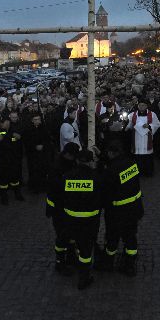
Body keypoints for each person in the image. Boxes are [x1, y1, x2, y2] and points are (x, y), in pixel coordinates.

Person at [95, 141, 143, 276]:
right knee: (130, 237)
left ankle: (108, 262)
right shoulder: (132, 163)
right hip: (134, 208)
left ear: (111, 153)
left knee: (112, 238)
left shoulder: (111, 171)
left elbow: (105, 191)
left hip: (117, 213)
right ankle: (130, 264)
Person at [59, 150, 102, 290]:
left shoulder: (67, 176)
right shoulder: (96, 178)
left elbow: (61, 197)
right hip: (89, 222)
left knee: (71, 241)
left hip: (70, 220)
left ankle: (68, 261)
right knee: (86, 251)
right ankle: (84, 278)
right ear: (90, 162)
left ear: (77, 161)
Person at [46, 142, 80, 276]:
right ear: (68, 154)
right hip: (58, 209)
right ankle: (60, 262)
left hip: (67, 207)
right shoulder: (57, 167)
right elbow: (59, 188)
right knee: (62, 237)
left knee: (71, 234)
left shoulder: (69, 162)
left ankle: (71, 257)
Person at [0, 118, 25, 205]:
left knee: (15, 179)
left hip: (13, 160)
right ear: (1, 124)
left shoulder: (13, 131)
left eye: (8, 123)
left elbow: (20, 139)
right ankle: (4, 197)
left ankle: (18, 194)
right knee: (3, 181)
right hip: (3, 161)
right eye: (6, 123)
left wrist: (18, 137)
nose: (7, 124)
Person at [125, 101, 160, 177]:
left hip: (147, 138)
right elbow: (130, 125)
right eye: (140, 105)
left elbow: (157, 124)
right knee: (138, 156)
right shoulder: (132, 115)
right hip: (137, 138)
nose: (141, 106)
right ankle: (138, 173)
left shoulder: (152, 114)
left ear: (146, 106)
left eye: (143, 105)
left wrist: (149, 126)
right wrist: (126, 127)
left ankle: (148, 172)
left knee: (147, 156)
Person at [23, 113, 53, 194]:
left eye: (39, 119)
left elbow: (48, 139)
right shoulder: (28, 129)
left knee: (43, 170)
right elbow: (26, 142)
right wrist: (34, 147)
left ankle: (43, 186)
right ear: (32, 120)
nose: (37, 121)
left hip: (43, 154)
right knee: (34, 171)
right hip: (33, 154)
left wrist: (43, 145)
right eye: (35, 119)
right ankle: (34, 187)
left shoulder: (44, 128)